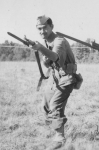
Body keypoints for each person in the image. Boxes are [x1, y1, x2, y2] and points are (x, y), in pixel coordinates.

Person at [28, 15, 78, 150]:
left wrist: (39, 48)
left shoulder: (59, 41)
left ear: (52, 27)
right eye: (39, 29)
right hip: (55, 77)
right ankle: (57, 129)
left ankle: (60, 138)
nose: (42, 31)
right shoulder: (47, 42)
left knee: (55, 105)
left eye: (45, 28)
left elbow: (55, 56)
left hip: (67, 78)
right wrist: (43, 56)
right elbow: (49, 63)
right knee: (46, 104)